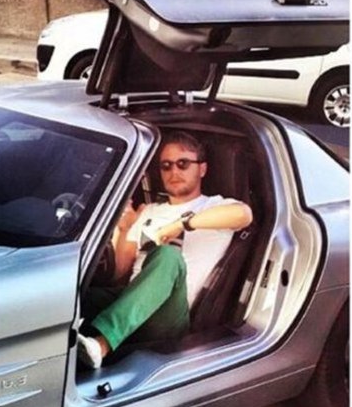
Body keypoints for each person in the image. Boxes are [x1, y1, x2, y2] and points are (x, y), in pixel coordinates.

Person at [78, 130, 253, 369]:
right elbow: (120, 272)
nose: (174, 172)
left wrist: (181, 224)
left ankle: (102, 345)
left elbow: (243, 215)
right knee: (74, 295)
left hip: (169, 315)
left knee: (168, 255)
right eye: (166, 166)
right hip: (131, 302)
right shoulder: (149, 211)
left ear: (202, 169)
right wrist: (123, 228)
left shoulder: (214, 206)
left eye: (183, 164)